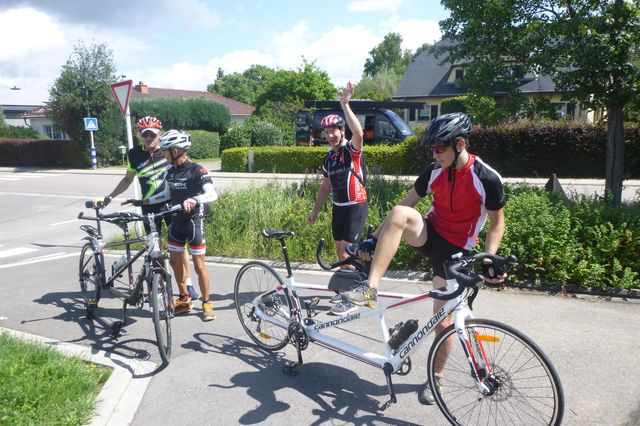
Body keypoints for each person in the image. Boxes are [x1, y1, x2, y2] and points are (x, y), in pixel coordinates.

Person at [344, 112, 507, 404]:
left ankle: (436, 379)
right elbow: (407, 204)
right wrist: (373, 238)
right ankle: (371, 287)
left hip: (457, 251)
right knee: (398, 213)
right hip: (430, 234)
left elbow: (497, 223)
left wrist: (489, 258)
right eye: (431, 149)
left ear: (459, 144)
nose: (435, 154)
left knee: (443, 320)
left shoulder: (485, 177)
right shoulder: (434, 170)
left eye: (439, 148)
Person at [100, 116, 199, 300]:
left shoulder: (169, 150)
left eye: (152, 135)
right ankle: (158, 282)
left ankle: (188, 283)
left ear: (159, 134)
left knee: (179, 247)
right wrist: (109, 197)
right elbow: (128, 179)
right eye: (144, 134)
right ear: (139, 135)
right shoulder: (134, 154)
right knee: (155, 247)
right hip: (149, 207)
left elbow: (187, 170)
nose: (148, 138)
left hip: (171, 205)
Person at [124, 130, 218, 321]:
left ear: (176, 150)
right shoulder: (169, 170)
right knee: (175, 263)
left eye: (166, 151)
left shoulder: (197, 170)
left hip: (193, 222)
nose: (163, 154)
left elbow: (212, 194)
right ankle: (184, 299)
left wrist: (194, 199)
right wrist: (143, 202)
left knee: (199, 265)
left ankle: (207, 303)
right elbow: (166, 194)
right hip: (177, 221)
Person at [307, 82, 368, 315]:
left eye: (335, 130)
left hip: (356, 204)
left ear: (342, 131)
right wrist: (314, 211)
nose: (331, 135)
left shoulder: (350, 151)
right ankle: (347, 292)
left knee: (349, 250)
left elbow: (359, 133)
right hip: (338, 206)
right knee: (340, 252)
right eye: (327, 132)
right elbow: (325, 187)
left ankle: (354, 296)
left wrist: (345, 105)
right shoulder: (328, 159)